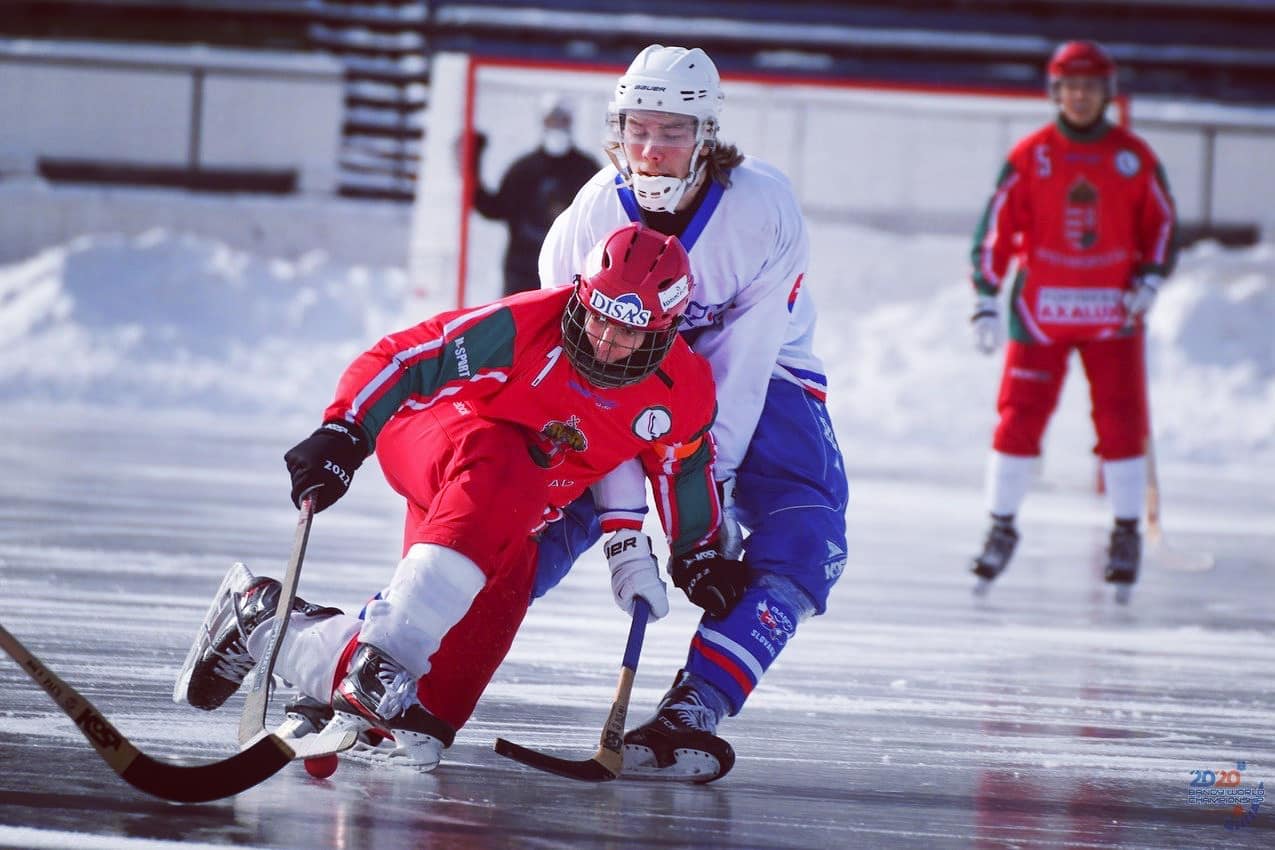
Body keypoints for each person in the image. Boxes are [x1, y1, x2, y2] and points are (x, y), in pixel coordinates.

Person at [174, 223, 723, 770]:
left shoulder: (686, 392)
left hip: (510, 514)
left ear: (666, 333)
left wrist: (696, 550)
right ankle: (383, 657)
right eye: (598, 317)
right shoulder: (526, 325)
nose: (604, 342)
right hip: (438, 440)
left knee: (431, 714)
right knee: (509, 460)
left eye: (626, 334)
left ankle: (270, 624)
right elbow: (404, 357)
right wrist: (346, 429)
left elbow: (684, 466)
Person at [534, 45, 849, 781]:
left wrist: (705, 523)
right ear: (616, 131)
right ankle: (406, 647)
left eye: (672, 131)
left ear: (706, 136)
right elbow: (588, 383)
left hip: (763, 370)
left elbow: (738, 370)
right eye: (638, 129)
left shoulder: (759, 210)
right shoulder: (587, 221)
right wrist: (621, 532)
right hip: (619, 373)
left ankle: (697, 701)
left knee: (810, 532)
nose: (652, 148)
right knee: (539, 506)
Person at [967, 40, 1177, 593]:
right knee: (1018, 417)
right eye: (1070, 86)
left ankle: (1127, 531)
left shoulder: (1133, 158)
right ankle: (1000, 526)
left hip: (1113, 314)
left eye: (1090, 86)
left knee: (1122, 419)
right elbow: (997, 231)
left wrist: (1151, 277)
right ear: (1056, 92)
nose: (1080, 97)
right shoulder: (1031, 155)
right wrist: (987, 297)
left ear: (1106, 93)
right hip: (1041, 316)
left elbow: (1160, 223)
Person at [471, 95, 600, 296]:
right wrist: (472, 164)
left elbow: (601, 215)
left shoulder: (586, 170)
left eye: (562, 120)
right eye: (551, 120)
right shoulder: (523, 170)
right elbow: (494, 209)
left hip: (570, 274)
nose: (557, 126)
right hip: (522, 273)